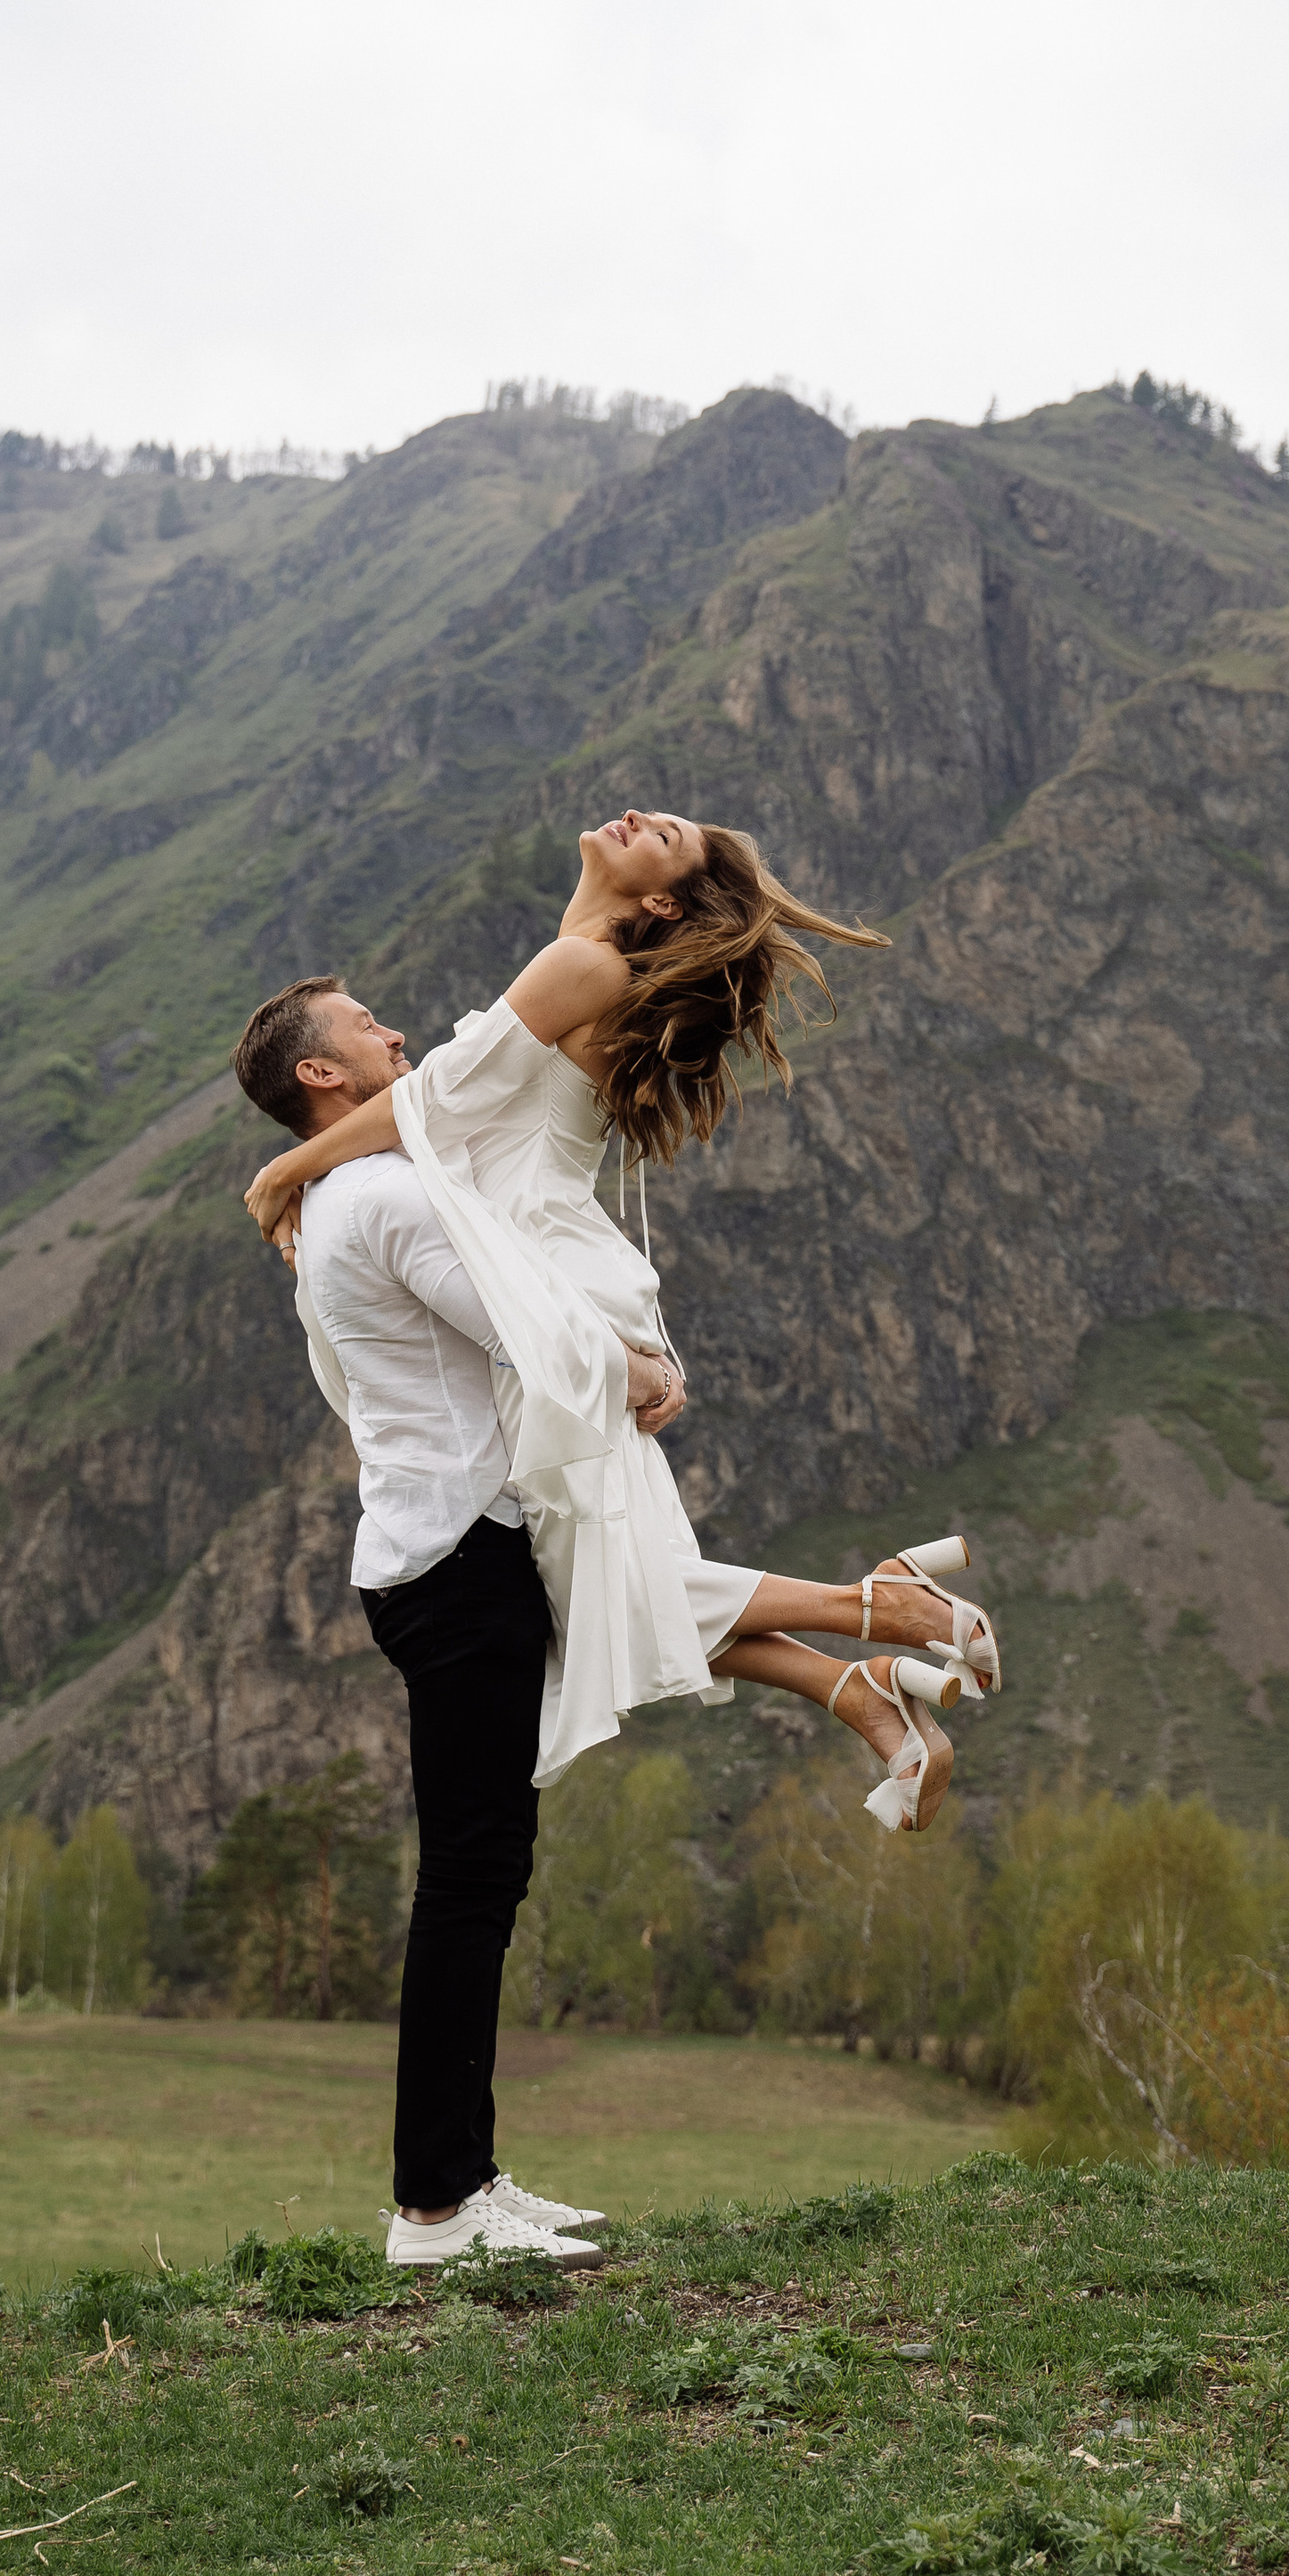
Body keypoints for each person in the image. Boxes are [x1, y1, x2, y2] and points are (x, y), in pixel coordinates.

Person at [230, 812, 999, 2266]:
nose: (396, 1032)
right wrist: (632, 1366)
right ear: (320, 1075)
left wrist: (288, 1176)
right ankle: (438, 2208)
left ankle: (460, 2182)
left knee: (501, 1840)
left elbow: (462, 1126)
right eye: (367, 1027)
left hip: (449, 1547)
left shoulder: (372, 1181)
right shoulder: (385, 1191)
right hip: (452, 1559)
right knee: (472, 1880)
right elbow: (521, 1317)